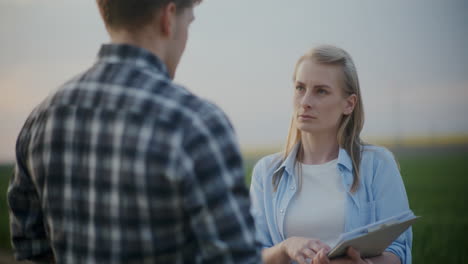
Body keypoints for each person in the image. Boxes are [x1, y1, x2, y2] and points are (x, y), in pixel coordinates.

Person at [7, 0, 261, 263]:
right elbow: (236, 257)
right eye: (189, 21)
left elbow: (30, 249)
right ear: (169, 17)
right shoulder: (195, 124)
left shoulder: (41, 119)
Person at [250, 45, 412, 264]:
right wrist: (285, 247)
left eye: (321, 91)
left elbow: (399, 250)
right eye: (300, 88)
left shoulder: (378, 164)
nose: (305, 101)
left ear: (349, 104)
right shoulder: (266, 173)